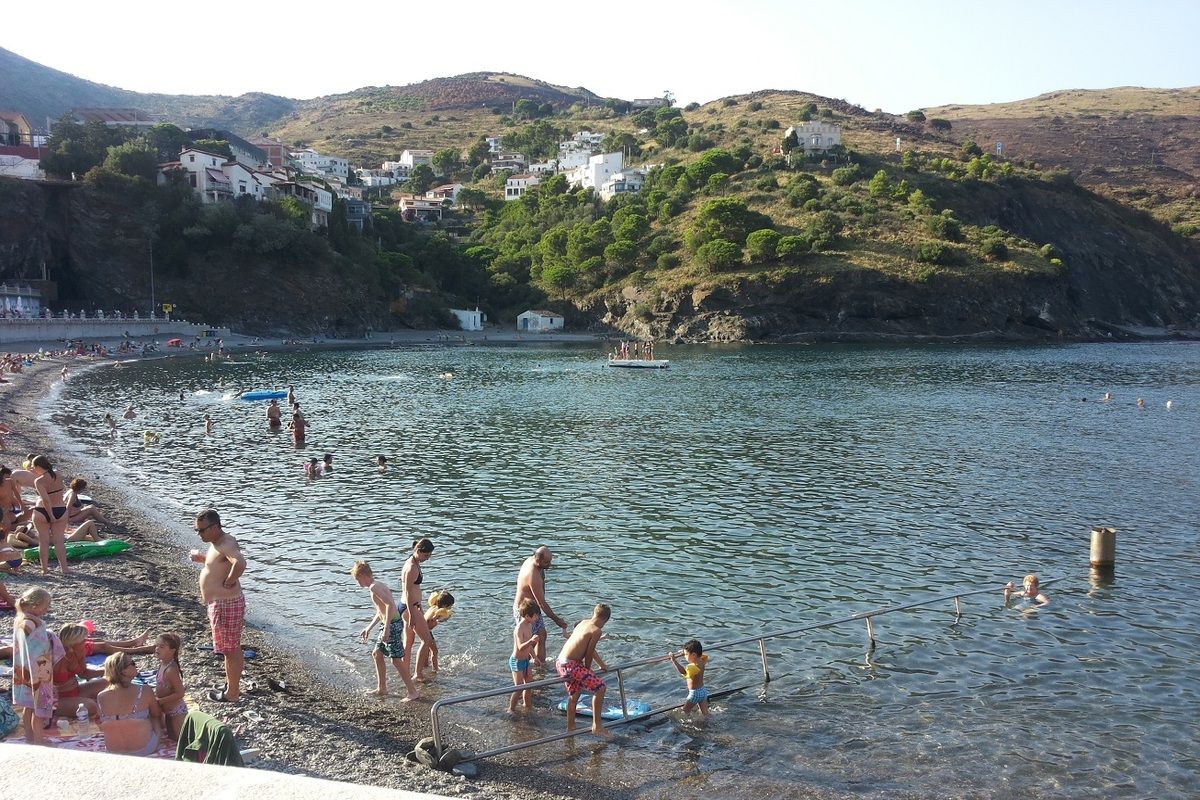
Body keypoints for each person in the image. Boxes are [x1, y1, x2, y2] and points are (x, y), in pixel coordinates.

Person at [190, 509, 247, 703]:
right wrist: (204, 560)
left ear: (214, 527)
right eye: (197, 530)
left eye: (202, 530)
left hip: (226, 604)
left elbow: (240, 563)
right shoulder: (216, 543)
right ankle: (232, 684)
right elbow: (219, 564)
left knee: (230, 650)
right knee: (230, 648)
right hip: (220, 603)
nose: (200, 534)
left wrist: (230, 581)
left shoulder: (226, 543)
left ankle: (232, 694)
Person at [351, 560, 418, 700]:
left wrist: (387, 628)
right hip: (388, 623)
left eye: (358, 579)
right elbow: (381, 610)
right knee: (377, 654)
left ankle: (412, 692)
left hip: (392, 624)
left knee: (396, 660)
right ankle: (382, 688)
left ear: (364, 575)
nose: (358, 583)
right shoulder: (377, 585)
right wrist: (369, 627)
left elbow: (390, 606)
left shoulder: (374, 588)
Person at [556, 604, 613, 740]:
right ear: (605, 620)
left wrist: (602, 665)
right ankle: (597, 726)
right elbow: (588, 653)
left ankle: (570, 728)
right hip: (571, 665)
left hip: (561, 662)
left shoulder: (583, 623)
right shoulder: (596, 631)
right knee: (600, 688)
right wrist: (588, 670)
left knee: (574, 695)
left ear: (594, 613)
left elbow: (590, 650)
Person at [97, 652, 165, 756]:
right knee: (156, 716)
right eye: (132, 663)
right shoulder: (144, 690)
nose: (136, 665)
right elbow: (157, 713)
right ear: (124, 671)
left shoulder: (101, 696)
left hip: (114, 752)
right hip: (144, 749)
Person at [12, 587, 54, 745]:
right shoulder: (28, 621)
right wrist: (37, 624)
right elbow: (25, 632)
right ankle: (38, 741)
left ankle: (30, 738)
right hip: (37, 671)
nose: (46, 610)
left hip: (26, 669)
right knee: (39, 709)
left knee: (28, 707)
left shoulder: (21, 618)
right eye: (45, 607)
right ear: (36, 605)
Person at [514, 546, 568, 664]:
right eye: (546, 562)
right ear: (538, 560)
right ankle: (523, 665)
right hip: (525, 611)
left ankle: (540, 666)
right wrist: (557, 620)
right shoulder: (533, 575)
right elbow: (542, 603)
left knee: (542, 635)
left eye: (550, 561)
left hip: (534, 608)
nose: (549, 564)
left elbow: (540, 599)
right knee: (529, 642)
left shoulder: (538, 564)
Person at [52, 623, 105, 723]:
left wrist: (107, 671)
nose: (86, 641)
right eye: (83, 640)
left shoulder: (78, 652)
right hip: (57, 700)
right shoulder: (57, 657)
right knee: (91, 706)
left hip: (74, 692)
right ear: (72, 643)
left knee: (109, 682)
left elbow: (83, 674)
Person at [401, 538, 437, 681]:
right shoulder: (411, 567)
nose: (427, 558)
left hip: (410, 606)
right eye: (425, 555)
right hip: (409, 607)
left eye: (429, 556)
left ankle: (404, 670)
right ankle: (418, 673)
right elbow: (408, 591)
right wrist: (412, 614)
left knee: (409, 642)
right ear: (418, 550)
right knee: (426, 640)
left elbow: (414, 590)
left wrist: (420, 606)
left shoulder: (414, 562)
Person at [31, 454, 70, 575]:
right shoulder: (59, 475)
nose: (33, 469)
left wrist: (51, 515)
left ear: (38, 466)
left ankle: (45, 569)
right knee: (59, 541)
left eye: (33, 467)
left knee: (43, 541)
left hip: (43, 512)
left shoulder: (39, 481)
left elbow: (45, 500)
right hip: (60, 510)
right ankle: (64, 569)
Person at [508, 599, 541, 714]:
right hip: (516, 661)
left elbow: (529, 646)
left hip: (526, 660)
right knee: (518, 687)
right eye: (535, 616)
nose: (537, 618)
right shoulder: (519, 628)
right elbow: (521, 646)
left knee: (529, 685)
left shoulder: (529, 626)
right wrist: (531, 640)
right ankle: (511, 708)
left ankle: (527, 705)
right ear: (527, 616)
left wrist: (535, 657)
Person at [153, 632, 187, 740]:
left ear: (172, 651)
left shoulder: (171, 670)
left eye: (162, 646)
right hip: (168, 711)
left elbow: (180, 693)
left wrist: (161, 701)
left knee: (181, 739)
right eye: (156, 646)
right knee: (171, 737)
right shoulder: (163, 664)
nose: (157, 649)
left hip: (176, 711)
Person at [415, 589, 455, 680]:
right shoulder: (438, 613)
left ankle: (425, 665)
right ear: (445, 605)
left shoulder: (433, 607)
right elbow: (437, 620)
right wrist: (446, 617)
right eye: (450, 606)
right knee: (435, 651)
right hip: (425, 630)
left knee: (427, 649)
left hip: (420, 628)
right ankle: (435, 670)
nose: (450, 608)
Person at [669, 639, 710, 716]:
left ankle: (687, 725)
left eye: (685, 655)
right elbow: (701, 654)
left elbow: (683, 671)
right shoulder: (702, 660)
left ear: (694, 655)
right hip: (703, 691)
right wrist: (685, 652)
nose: (684, 656)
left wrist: (674, 660)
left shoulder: (691, 667)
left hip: (695, 693)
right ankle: (708, 724)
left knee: (685, 712)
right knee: (705, 713)